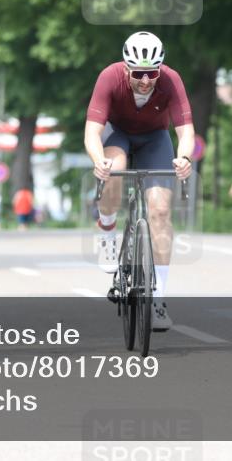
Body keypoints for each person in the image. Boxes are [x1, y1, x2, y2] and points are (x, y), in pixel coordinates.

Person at [85, 31, 194, 332]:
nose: (146, 80)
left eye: (152, 73)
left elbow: (185, 133)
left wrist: (184, 159)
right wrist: (99, 161)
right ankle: (106, 231)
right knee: (115, 171)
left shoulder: (171, 80)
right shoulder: (109, 77)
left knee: (159, 211)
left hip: (155, 139)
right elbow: (92, 131)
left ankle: (158, 298)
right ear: (126, 67)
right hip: (118, 134)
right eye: (139, 73)